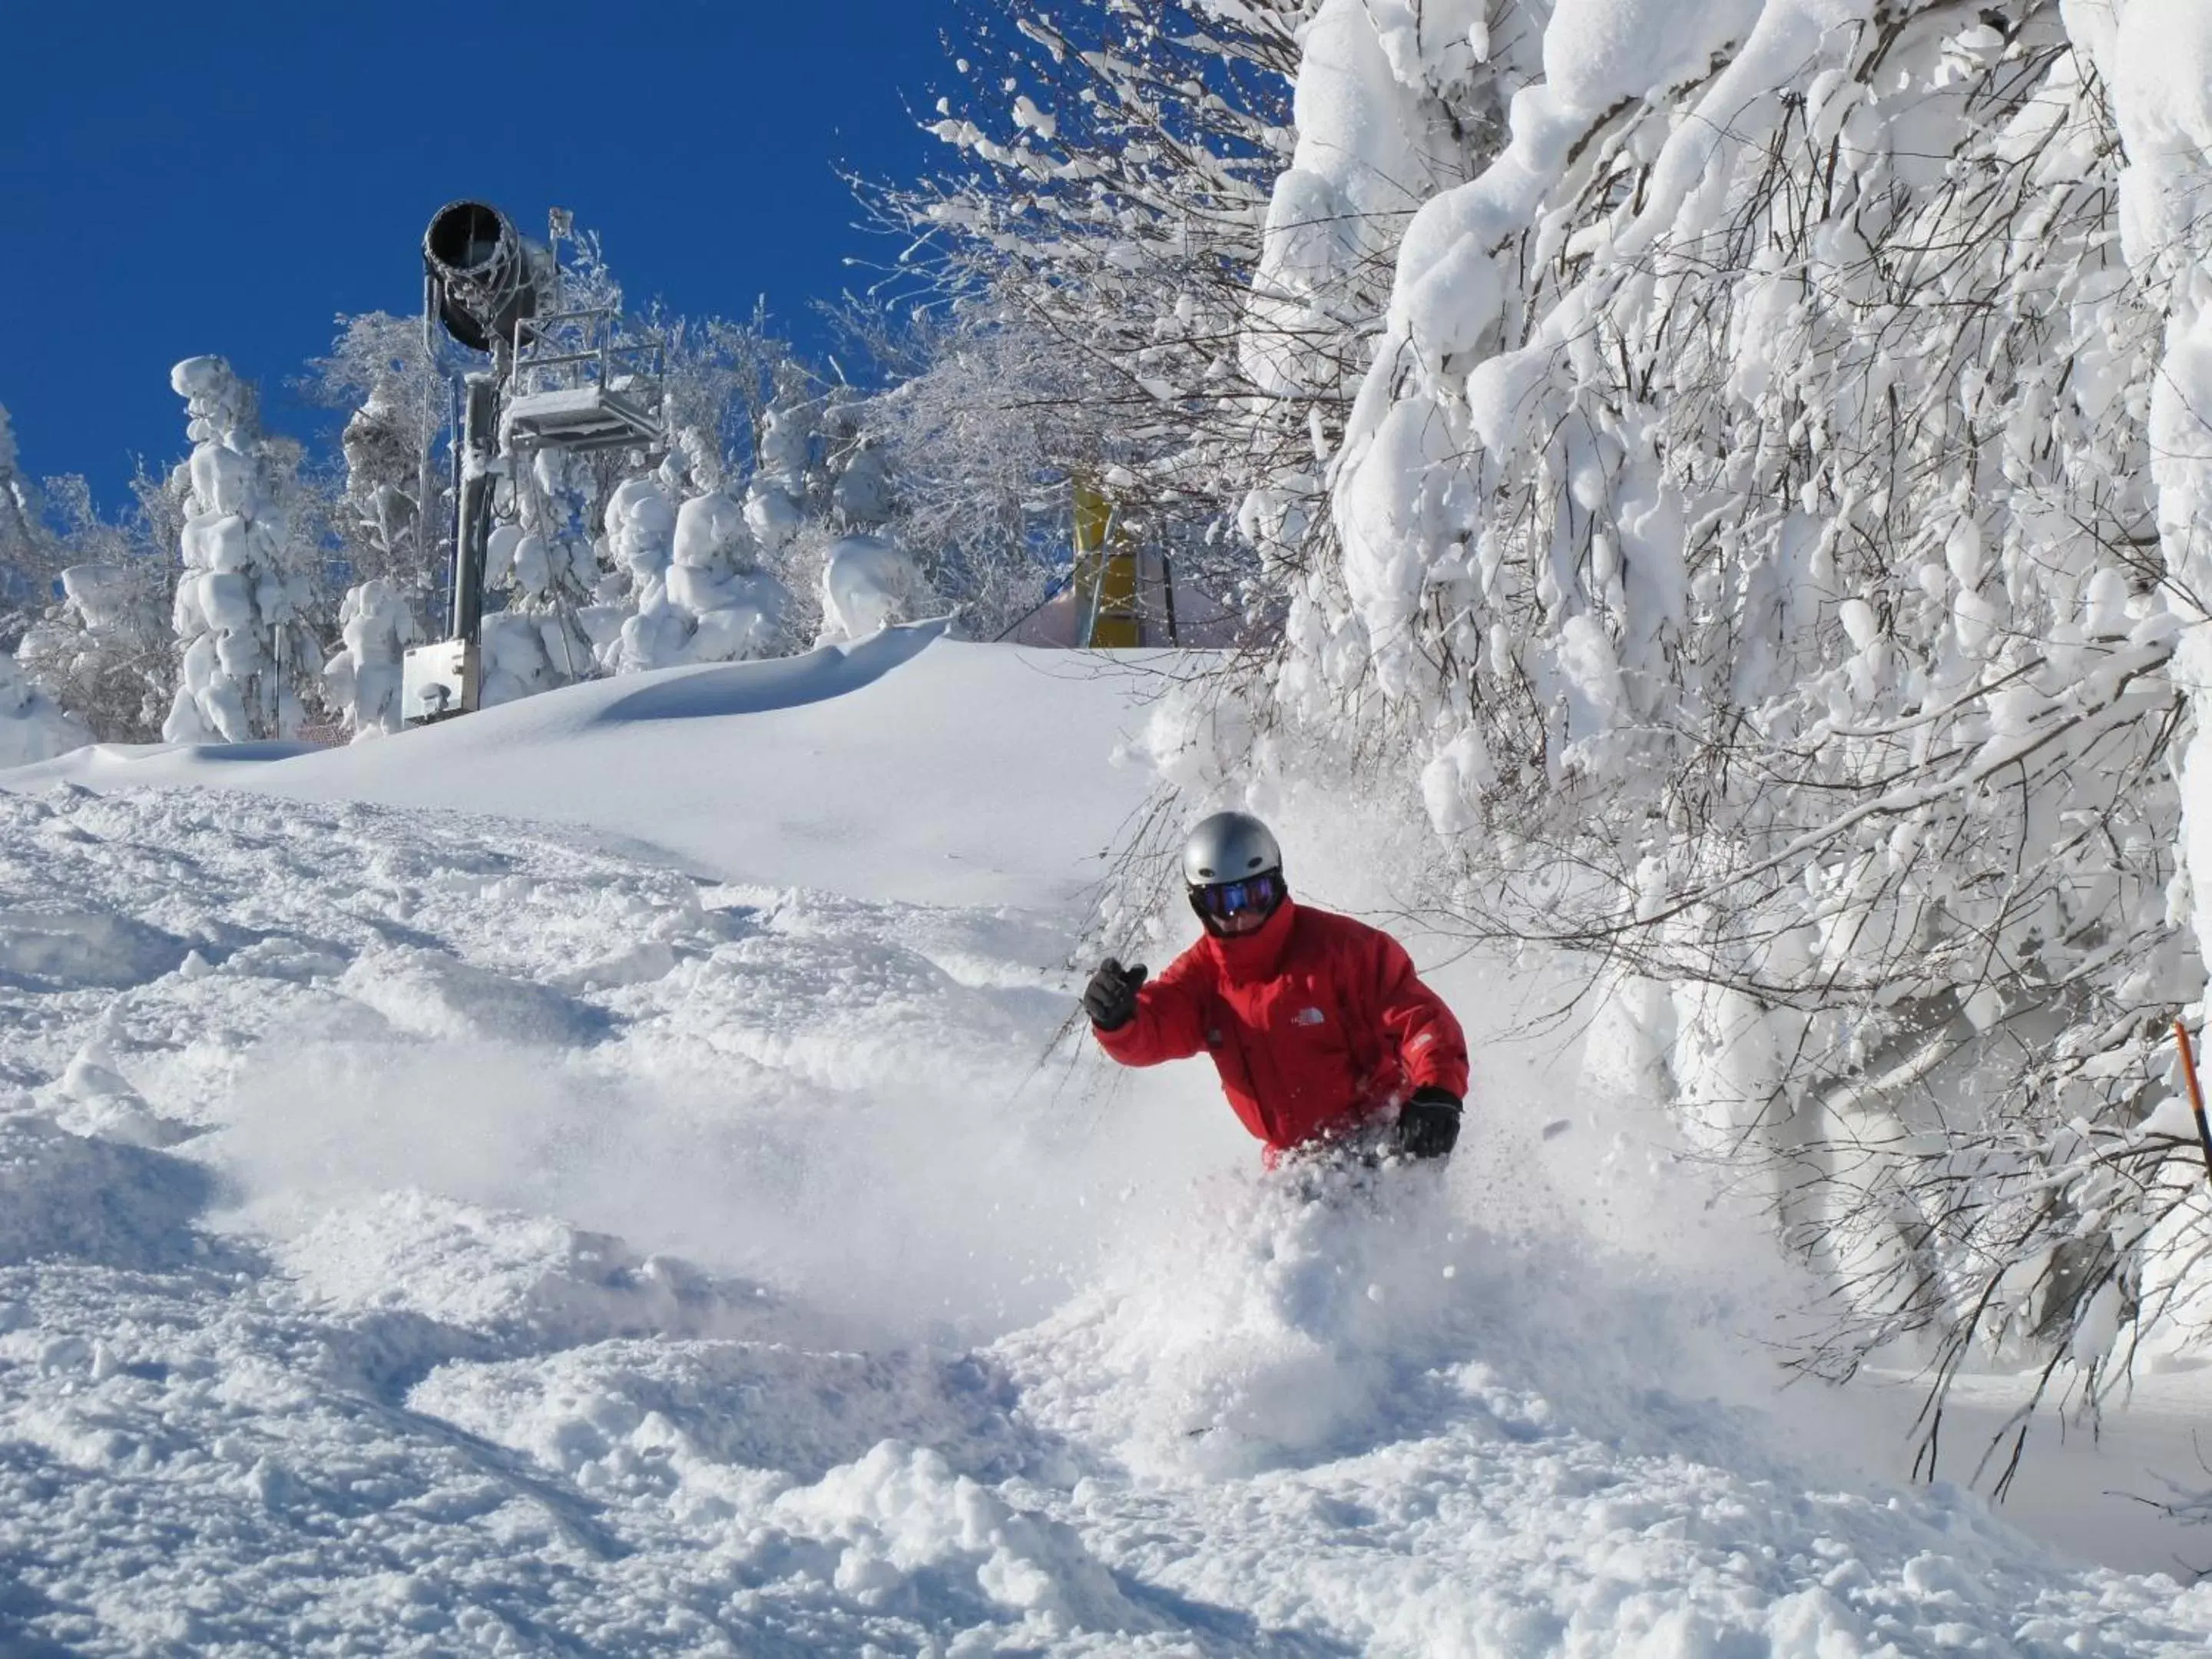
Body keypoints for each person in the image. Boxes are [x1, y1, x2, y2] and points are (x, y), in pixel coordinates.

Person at [1083, 811, 1468, 1165]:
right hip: (1294, 1162)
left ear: (1278, 883)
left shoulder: (1344, 951)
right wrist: (1119, 1019)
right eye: (1223, 901)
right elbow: (1157, 1024)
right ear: (1200, 905)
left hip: (1386, 1137)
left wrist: (1437, 1092)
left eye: (1255, 894)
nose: (1241, 914)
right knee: (1264, 1236)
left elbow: (1418, 1018)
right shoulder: (1203, 978)